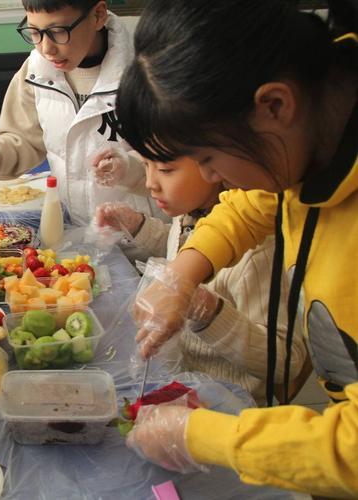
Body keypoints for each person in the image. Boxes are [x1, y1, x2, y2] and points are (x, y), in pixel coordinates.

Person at [115, 0, 358, 496]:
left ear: (273, 105)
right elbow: (256, 202)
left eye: (207, 158)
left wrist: (203, 435)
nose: (211, 179)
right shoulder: (313, 132)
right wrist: (184, 272)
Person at [95, 157, 307, 405]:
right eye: (145, 165)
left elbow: (286, 362)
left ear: (213, 165)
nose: (150, 183)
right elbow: (181, 248)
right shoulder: (188, 214)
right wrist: (139, 226)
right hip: (184, 381)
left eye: (165, 169)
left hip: (233, 405)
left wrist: (209, 312)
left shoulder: (257, 254)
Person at [0, 0, 162, 225]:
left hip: (145, 233)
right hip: (79, 229)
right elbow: (24, 140)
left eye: (58, 31)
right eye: (35, 32)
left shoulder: (147, 72)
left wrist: (129, 168)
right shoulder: (35, 71)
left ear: (98, 15)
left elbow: (177, 161)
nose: (46, 49)